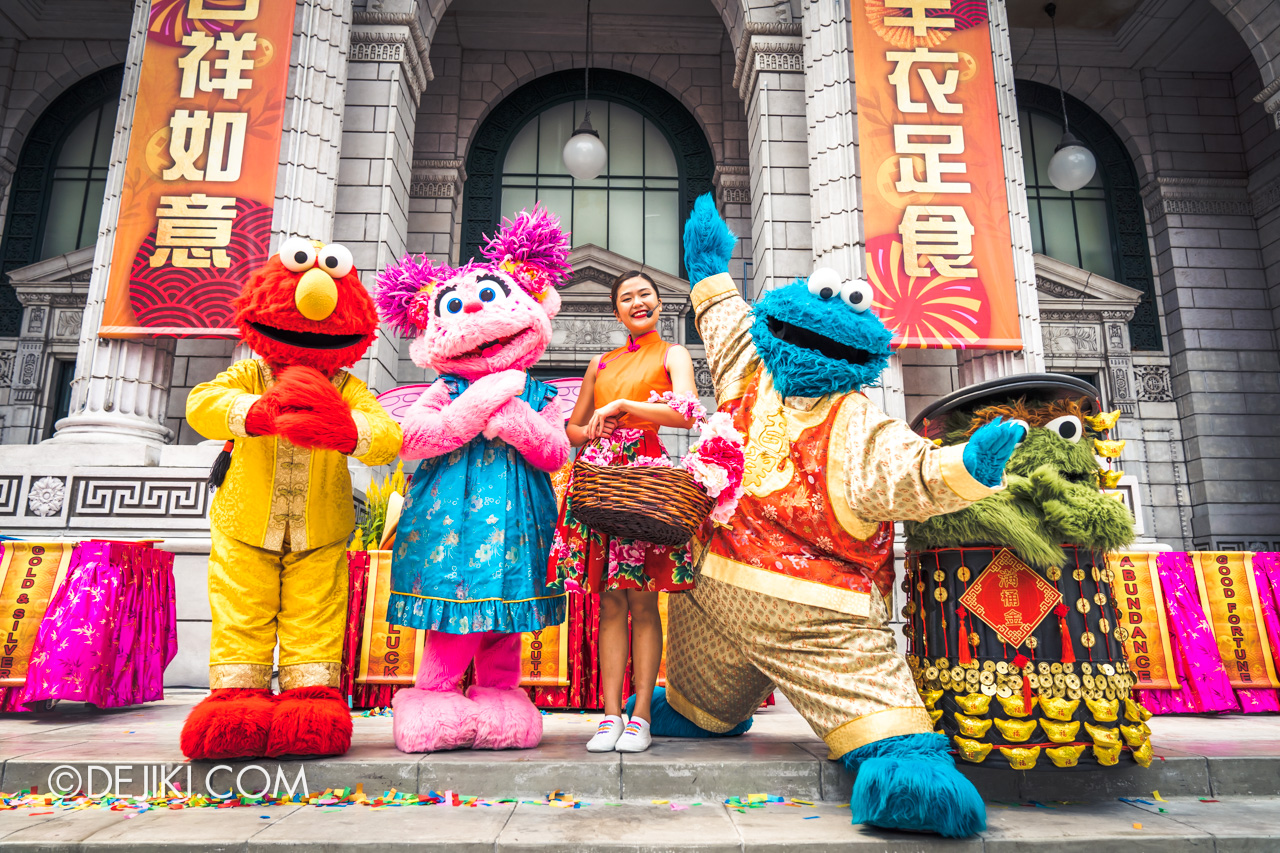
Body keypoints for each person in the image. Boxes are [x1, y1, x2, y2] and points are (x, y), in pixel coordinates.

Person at [548, 270, 699, 754]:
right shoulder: (600, 362)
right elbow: (571, 430)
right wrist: (593, 427)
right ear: (616, 311)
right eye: (627, 298)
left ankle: (641, 717)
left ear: (658, 304)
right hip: (598, 476)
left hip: (644, 477)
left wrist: (628, 404)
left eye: (645, 295)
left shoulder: (673, 353)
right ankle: (609, 716)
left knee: (643, 599)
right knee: (609, 600)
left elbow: (688, 411)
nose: (638, 303)